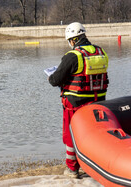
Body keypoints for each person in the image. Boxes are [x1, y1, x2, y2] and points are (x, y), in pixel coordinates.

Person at [48, 22, 109, 178]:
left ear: (73, 40)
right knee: (94, 135)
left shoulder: (73, 56)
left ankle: (72, 169)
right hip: (99, 102)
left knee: (71, 136)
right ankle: (97, 166)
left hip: (75, 104)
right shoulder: (101, 51)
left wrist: (51, 76)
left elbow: (55, 80)